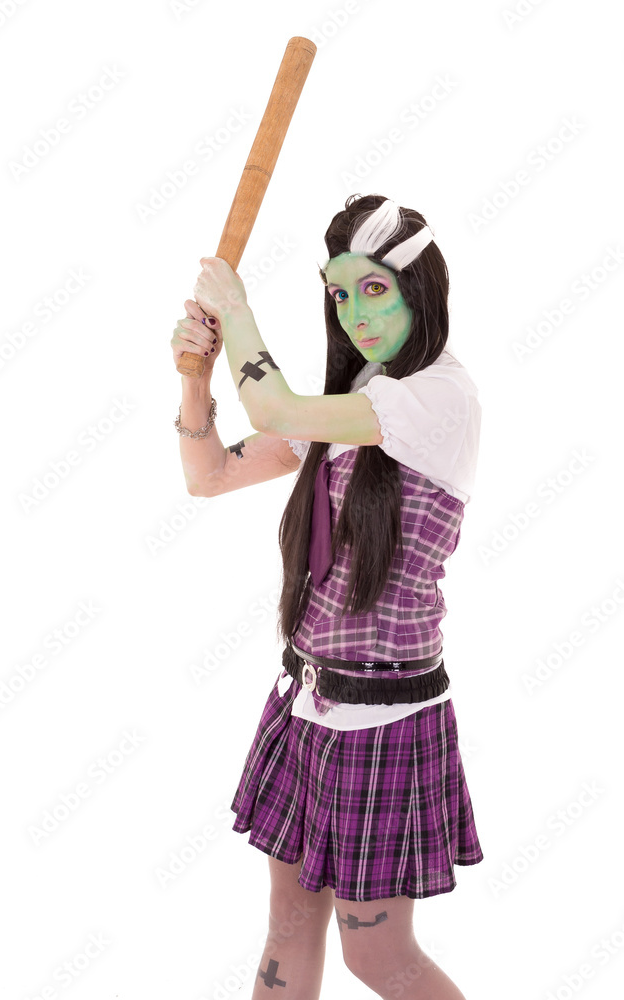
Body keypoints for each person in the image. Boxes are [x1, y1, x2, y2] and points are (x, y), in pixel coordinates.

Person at [170, 194, 484, 1000]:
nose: (354, 313)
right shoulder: (353, 400)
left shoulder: (436, 398)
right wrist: (196, 382)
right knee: (287, 928)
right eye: (340, 294)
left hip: (383, 717)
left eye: (374, 289)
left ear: (420, 288)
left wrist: (235, 311)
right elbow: (209, 475)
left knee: (377, 957)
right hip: (303, 702)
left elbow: (273, 405)